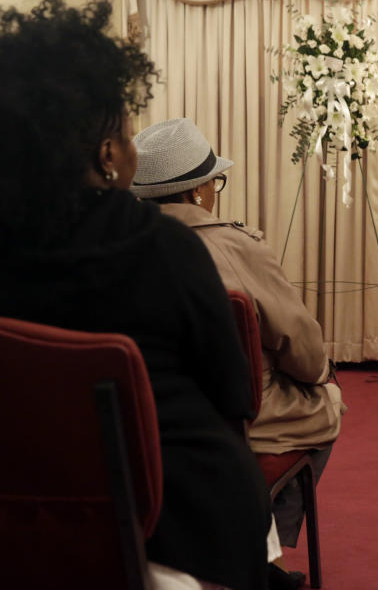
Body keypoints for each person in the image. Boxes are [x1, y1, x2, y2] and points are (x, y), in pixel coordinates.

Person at [0, 0, 272, 589]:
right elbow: (234, 398)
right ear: (106, 155)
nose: (130, 148)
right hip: (173, 541)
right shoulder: (167, 249)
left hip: (20, 537)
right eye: (127, 133)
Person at [130, 118, 345, 582]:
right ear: (198, 193)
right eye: (214, 183)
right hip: (238, 423)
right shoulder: (233, 246)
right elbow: (303, 353)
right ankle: (267, 547)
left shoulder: (111, 250)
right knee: (329, 401)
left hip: (136, 422)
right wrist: (324, 375)